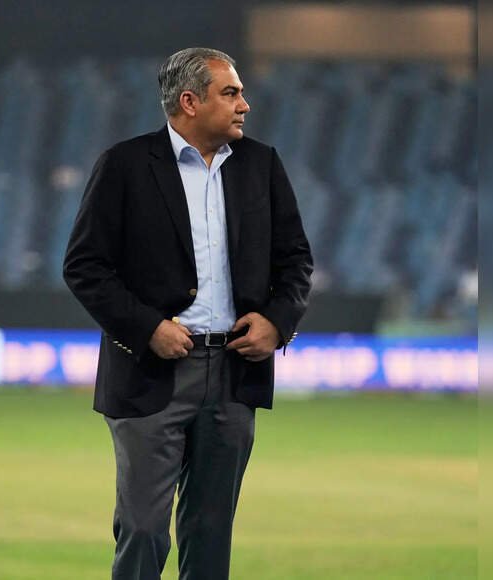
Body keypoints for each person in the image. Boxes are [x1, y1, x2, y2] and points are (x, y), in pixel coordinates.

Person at [63, 48, 313, 579]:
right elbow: (84, 266)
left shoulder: (261, 164)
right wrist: (148, 328)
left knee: (210, 532)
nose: (244, 104)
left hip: (234, 373)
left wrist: (276, 321)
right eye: (231, 93)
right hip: (150, 374)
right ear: (190, 102)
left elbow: (295, 260)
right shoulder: (126, 165)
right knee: (143, 528)